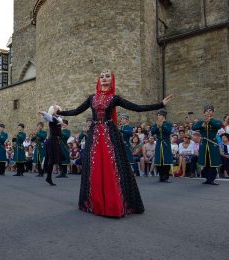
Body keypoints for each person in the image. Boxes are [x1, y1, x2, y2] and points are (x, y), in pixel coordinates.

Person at [56, 69, 172, 217]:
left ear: (111, 80)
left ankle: (114, 203)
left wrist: (160, 104)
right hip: (95, 134)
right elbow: (77, 111)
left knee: (113, 166)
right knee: (95, 165)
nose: (104, 78)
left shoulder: (114, 98)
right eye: (102, 76)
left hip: (110, 134)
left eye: (107, 76)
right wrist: (60, 112)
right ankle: (95, 202)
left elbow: (136, 107)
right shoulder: (92, 98)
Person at [192, 104, 222, 185]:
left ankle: (212, 179)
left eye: (210, 111)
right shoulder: (201, 122)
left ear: (213, 112)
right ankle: (207, 178)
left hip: (212, 144)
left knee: (213, 162)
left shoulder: (216, 121)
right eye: (206, 111)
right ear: (204, 113)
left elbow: (219, 125)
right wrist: (203, 123)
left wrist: (210, 121)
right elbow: (194, 127)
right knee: (206, 162)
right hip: (204, 144)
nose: (208, 112)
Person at [38, 106, 64, 186]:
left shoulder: (58, 119)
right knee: (52, 160)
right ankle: (49, 176)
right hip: (52, 141)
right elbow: (48, 116)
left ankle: (51, 175)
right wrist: (43, 112)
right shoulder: (52, 119)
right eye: (57, 110)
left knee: (57, 158)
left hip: (56, 141)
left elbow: (61, 119)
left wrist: (57, 111)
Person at [151, 110, 173, 182]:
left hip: (166, 143)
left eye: (159, 115)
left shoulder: (168, 123)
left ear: (163, 116)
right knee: (159, 161)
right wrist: (157, 126)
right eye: (157, 115)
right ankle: (161, 176)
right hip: (159, 143)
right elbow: (152, 132)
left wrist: (162, 125)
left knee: (166, 160)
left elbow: (168, 131)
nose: (158, 116)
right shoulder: (155, 124)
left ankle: (166, 177)